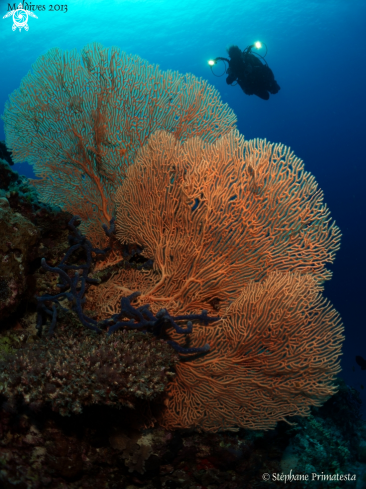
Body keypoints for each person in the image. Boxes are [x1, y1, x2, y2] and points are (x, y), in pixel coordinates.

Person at [214, 44, 280, 100]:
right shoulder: (232, 65)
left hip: (262, 79)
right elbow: (228, 81)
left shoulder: (248, 57)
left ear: (239, 51)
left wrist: (252, 69)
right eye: (233, 55)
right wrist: (232, 75)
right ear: (230, 56)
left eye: (236, 53)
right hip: (253, 87)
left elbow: (263, 68)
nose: (235, 56)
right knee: (266, 97)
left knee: (275, 90)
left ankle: (272, 84)